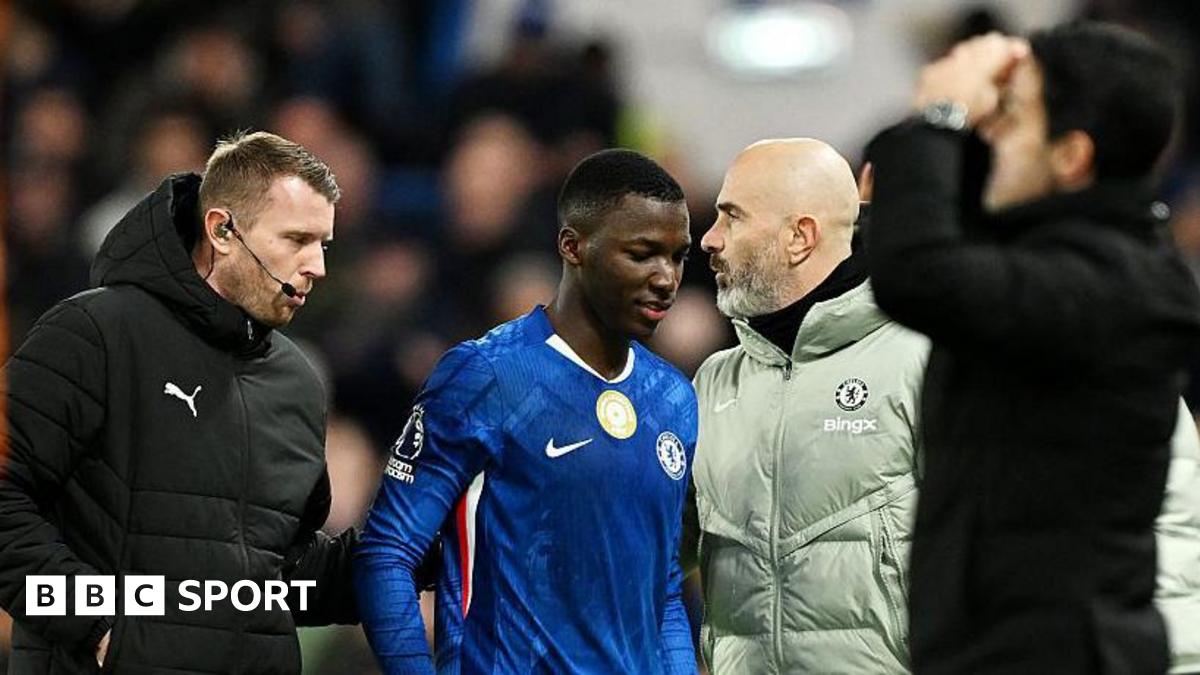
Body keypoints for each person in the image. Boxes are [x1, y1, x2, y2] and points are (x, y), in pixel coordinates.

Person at [865, 23, 1200, 673]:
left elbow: (920, 275)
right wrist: (979, 102)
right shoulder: (1063, 256)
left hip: (1064, 654)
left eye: (1011, 118)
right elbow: (963, 227)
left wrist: (938, 117)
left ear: (1071, 156)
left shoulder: (1123, 285)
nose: (990, 133)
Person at [0, 131, 358, 674]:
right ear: (221, 230)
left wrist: (418, 552)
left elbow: (279, 581)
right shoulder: (96, 333)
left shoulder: (299, 381)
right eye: (296, 239)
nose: (317, 266)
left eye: (324, 244)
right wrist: (98, 629)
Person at [355, 149, 697, 674]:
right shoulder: (485, 377)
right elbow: (387, 550)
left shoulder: (672, 398)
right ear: (572, 246)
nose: (666, 278)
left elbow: (665, 589)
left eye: (677, 257)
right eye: (643, 253)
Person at [682, 138, 928, 673]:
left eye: (732, 218)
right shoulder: (713, 384)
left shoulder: (919, 361)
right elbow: (648, 560)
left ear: (800, 237)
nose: (709, 239)